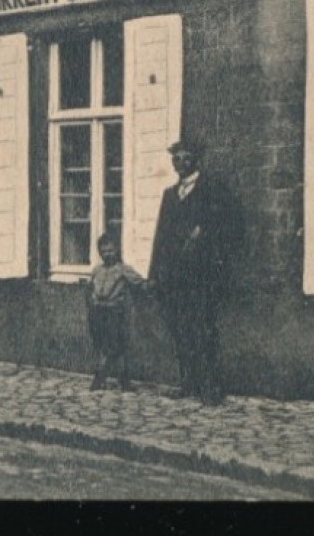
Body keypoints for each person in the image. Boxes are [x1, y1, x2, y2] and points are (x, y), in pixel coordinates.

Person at [148, 140, 240, 405]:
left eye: (186, 158)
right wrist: (155, 273)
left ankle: (210, 387)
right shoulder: (170, 195)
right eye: (176, 159)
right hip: (174, 276)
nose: (180, 163)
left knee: (204, 329)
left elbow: (232, 225)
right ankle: (187, 382)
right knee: (181, 329)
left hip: (202, 276)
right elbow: (160, 237)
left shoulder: (212, 190)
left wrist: (204, 232)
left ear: (196, 160)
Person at [86, 230, 146, 391]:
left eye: (110, 250)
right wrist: (91, 301)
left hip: (114, 313)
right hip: (97, 313)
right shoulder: (96, 270)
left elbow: (140, 283)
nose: (107, 254)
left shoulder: (123, 269)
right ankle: (122, 381)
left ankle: (100, 378)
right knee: (103, 345)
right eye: (103, 251)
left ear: (117, 250)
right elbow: (90, 287)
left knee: (115, 346)